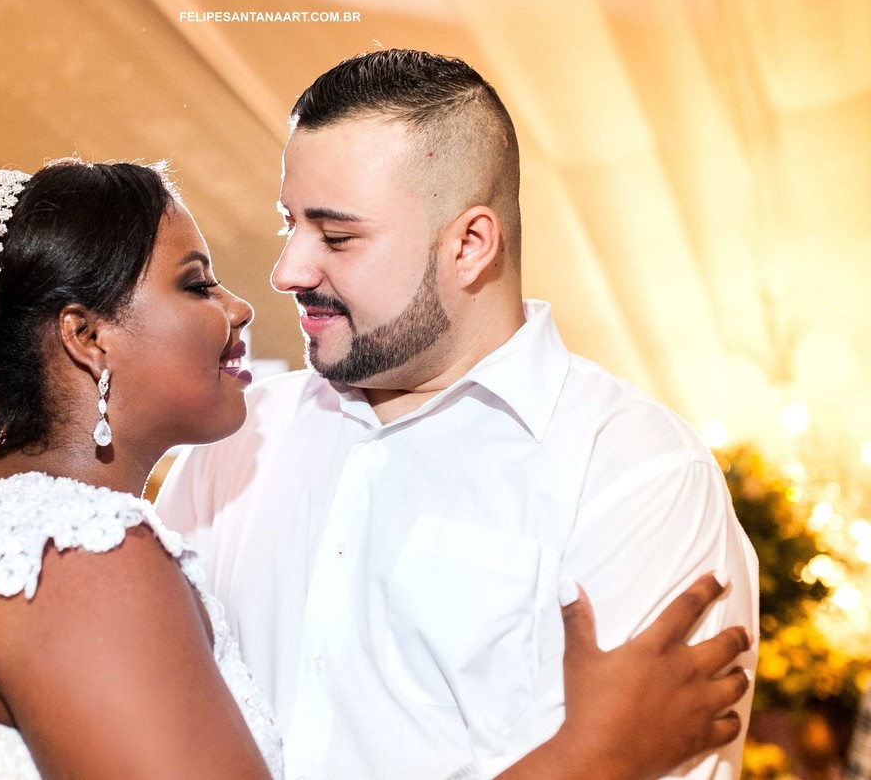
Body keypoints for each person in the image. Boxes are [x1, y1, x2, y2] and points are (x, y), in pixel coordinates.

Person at [0, 155, 748, 780]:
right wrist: (593, 759)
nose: (246, 303)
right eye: (196, 283)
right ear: (87, 338)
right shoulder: (74, 553)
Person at [156, 48, 760, 779]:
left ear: (469, 245)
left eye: (337, 236)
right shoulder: (235, 436)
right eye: (291, 225)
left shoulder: (636, 473)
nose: (287, 271)